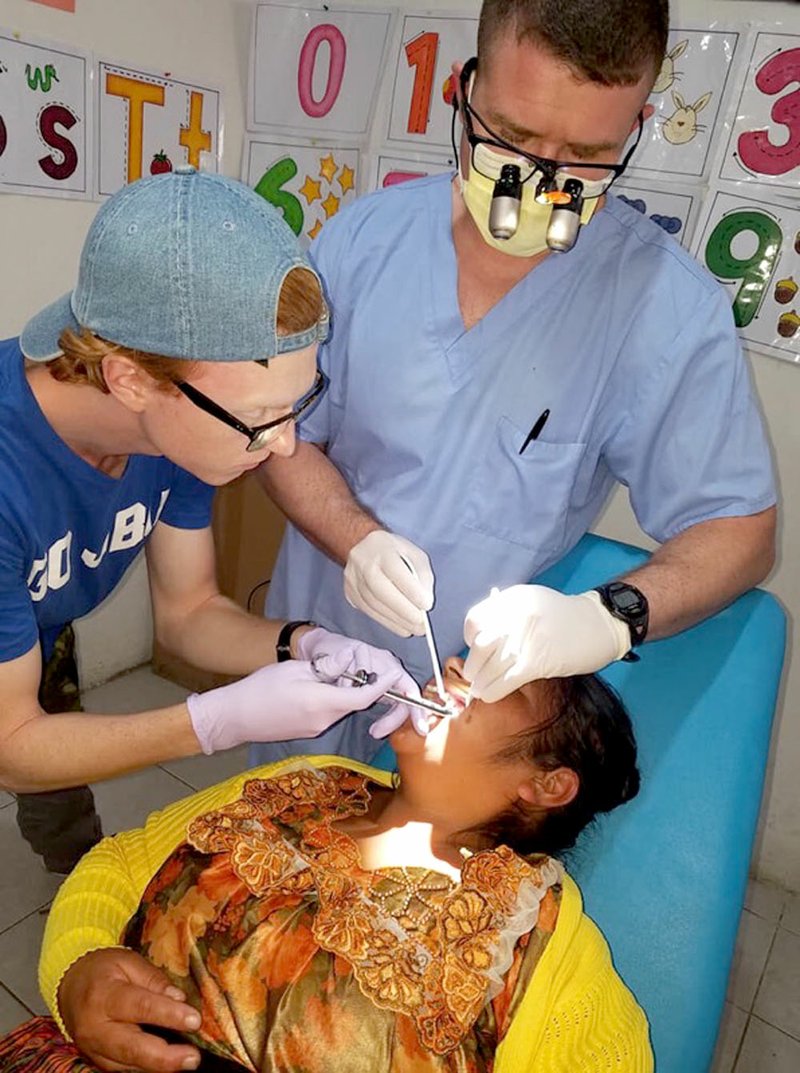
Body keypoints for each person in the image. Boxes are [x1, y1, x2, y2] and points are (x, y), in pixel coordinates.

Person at [255, 0, 776, 767]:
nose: (541, 180)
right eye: (516, 137)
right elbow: (280, 437)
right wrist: (355, 539)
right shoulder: (363, 243)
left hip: (469, 724)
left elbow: (741, 532)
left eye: (585, 155)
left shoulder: (666, 310)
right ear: (466, 90)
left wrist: (608, 616)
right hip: (312, 658)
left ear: (636, 128)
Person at [0, 166, 421, 875]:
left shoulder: (173, 433)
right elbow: (12, 742)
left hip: (36, 625)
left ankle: (68, 860)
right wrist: (211, 721)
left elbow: (189, 611)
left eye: (297, 405)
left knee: (52, 732)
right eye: (259, 420)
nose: (286, 445)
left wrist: (303, 641)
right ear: (131, 378)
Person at [0, 657, 651, 1072]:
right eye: (470, 657)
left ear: (546, 785)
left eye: (502, 680)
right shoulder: (307, 779)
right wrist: (77, 971)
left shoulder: (541, 941)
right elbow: (122, 862)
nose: (453, 663)